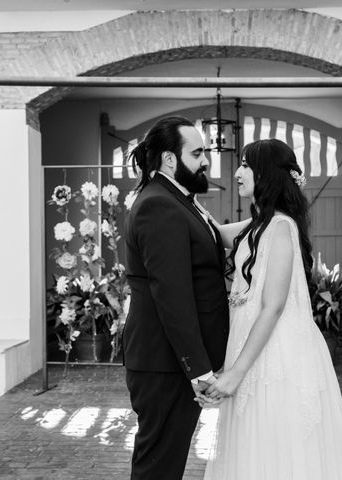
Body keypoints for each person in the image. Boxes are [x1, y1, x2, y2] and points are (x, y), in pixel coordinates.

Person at [200, 139, 342, 480]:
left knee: (276, 450)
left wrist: (235, 374)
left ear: (266, 174)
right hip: (253, 346)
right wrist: (185, 199)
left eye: (246, 164)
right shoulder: (259, 225)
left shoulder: (282, 228)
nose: (238, 171)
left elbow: (272, 307)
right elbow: (211, 234)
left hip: (277, 355)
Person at [122, 116, 229, 480]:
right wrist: (198, 369)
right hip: (164, 363)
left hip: (168, 362)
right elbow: (172, 294)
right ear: (170, 159)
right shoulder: (160, 206)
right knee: (158, 467)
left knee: (164, 463)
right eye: (197, 153)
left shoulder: (179, 200)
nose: (205, 161)